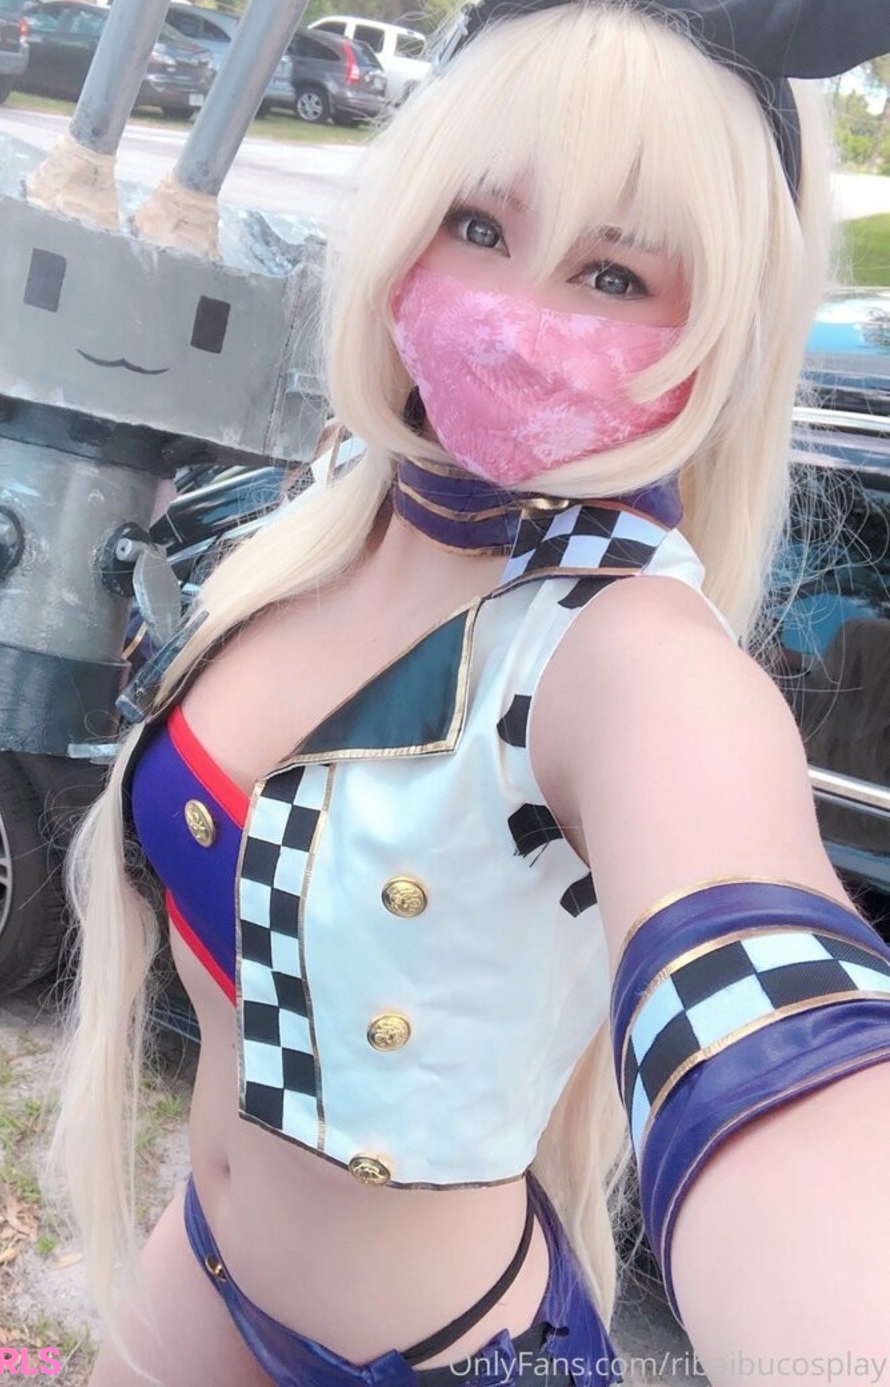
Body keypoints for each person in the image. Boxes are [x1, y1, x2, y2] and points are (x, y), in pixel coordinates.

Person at [48, 2, 890, 1383]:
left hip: (446, 1351)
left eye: (615, 273)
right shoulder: (335, 507)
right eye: (480, 226)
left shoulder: (631, 654)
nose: (516, 315)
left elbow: (780, 1038)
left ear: (719, 328)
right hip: (202, 1264)